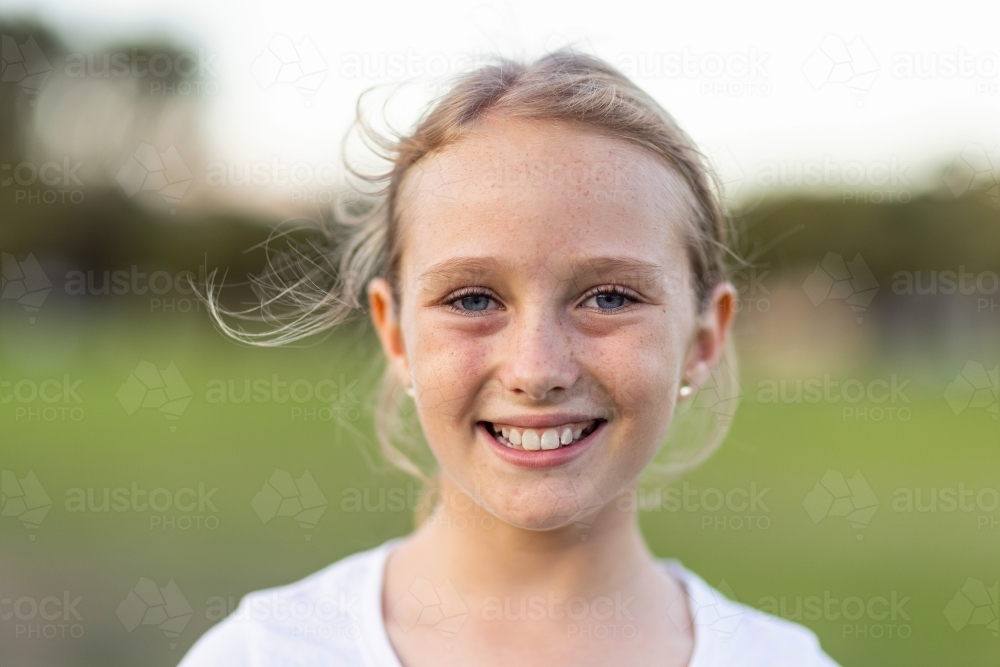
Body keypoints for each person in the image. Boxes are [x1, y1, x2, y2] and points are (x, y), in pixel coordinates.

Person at [180, 50, 839, 666]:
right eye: (472, 299)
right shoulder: (264, 652)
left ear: (703, 341)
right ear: (396, 335)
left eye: (609, 297)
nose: (537, 369)